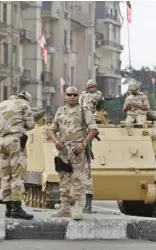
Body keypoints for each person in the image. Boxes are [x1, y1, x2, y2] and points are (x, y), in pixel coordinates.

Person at [48, 86, 98, 220]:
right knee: (64, 180)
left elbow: (93, 130)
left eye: (75, 95)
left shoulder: (83, 111)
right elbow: (52, 129)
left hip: (77, 149)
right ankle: (64, 208)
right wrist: (55, 141)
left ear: (78, 96)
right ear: (65, 96)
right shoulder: (60, 111)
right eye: (69, 94)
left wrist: (84, 144)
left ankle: (78, 208)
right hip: (63, 149)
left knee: (78, 179)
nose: (72, 97)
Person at [0, 91, 35, 219]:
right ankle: (17, 209)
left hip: (2, 142)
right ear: (27, 99)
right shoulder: (24, 104)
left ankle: (8, 209)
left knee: (6, 175)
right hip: (15, 141)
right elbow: (30, 125)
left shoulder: (1, 105)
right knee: (17, 175)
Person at [78, 79, 103, 213]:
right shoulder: (81, 99)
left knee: (87, 176)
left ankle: (87, 205)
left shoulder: (97, 95)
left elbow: (93, 130)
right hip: (73, 149)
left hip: (83, 145)